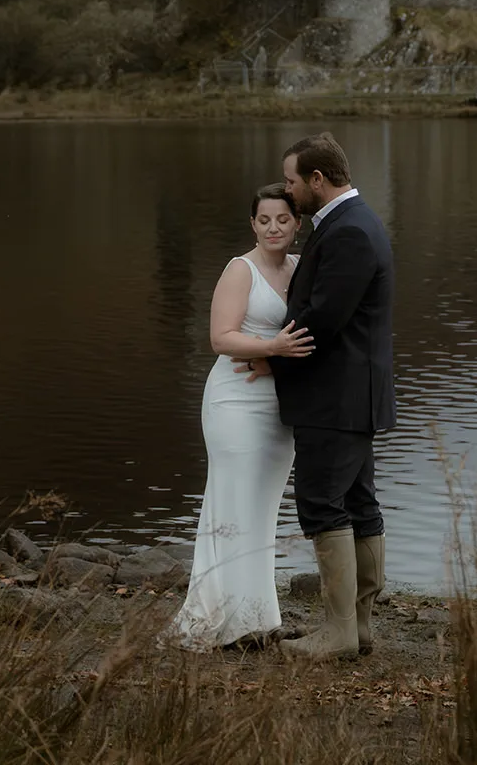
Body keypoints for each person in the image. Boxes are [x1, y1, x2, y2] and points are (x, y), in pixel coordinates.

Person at [239, 131, 396, 660]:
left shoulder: (349, 231)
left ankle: (340, 632)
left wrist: (272, 355)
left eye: (291, 181)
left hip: (336, 397)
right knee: (357, 502)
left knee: (325, 504)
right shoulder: (352, 223)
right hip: (351, 394)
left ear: (317, 180)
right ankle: (359, 627)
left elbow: (323, 319)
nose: (288, 191)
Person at [171, 183, 316, 648]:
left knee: (262, 509)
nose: (274, 228)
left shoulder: (299, 267)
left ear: (297, 224)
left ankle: (257, 617)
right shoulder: (240, 270)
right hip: (235, 400)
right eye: (264, 220)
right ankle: (218, 620)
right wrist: (271, 347)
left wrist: (280, 360)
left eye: (283, 219)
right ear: (253, 224)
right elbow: (221, 337)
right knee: (232, 503)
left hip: (280, 406)